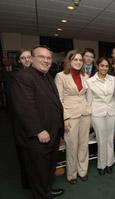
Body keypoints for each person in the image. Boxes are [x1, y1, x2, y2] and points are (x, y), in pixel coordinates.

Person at [10, 45, 64, 198]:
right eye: (42, 57)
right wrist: (39, 130)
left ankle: (47, 190)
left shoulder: (46, 76)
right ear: (32, 59)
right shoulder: (24, 77)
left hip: (52, 132)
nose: (46, 60)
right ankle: (42, 195)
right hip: (39, 135)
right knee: (39, 169)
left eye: (48, 58)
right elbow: (25, 107)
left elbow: (54, 102)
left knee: (48, 166)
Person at [54, 50, 91, 184]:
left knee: (83, 144)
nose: (78, 62)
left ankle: (83, 171)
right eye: (75, 59)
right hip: (70, 115)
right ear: (69, 61)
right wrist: (65, 117)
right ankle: (72, 174)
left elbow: (88, 95)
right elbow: (59, 99)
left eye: (80, 60)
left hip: (85, 114)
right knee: (71, 146)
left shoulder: (86, 76)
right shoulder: (60, 76)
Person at [85, 57, 115, 175]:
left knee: (110, 139)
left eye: (106, 66)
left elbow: (114, 97)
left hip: (112, 112)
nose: (104, 68)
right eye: (102, 66)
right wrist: (88, 118)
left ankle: (109, 163)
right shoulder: (89, 81)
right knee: (101, 139)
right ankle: (101, 165)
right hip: (97, 113)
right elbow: (89, 100)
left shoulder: (113, 79)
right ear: (97, 66)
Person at [4, 49, 32, 189]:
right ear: (19, 60)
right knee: (25, 155)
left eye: (29, 57)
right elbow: (15, 103)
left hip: (35, 121)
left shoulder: (36, 73)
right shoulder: (12, 76)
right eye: (23, 57)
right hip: (21, 123)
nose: (27, 60)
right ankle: (29, 183)